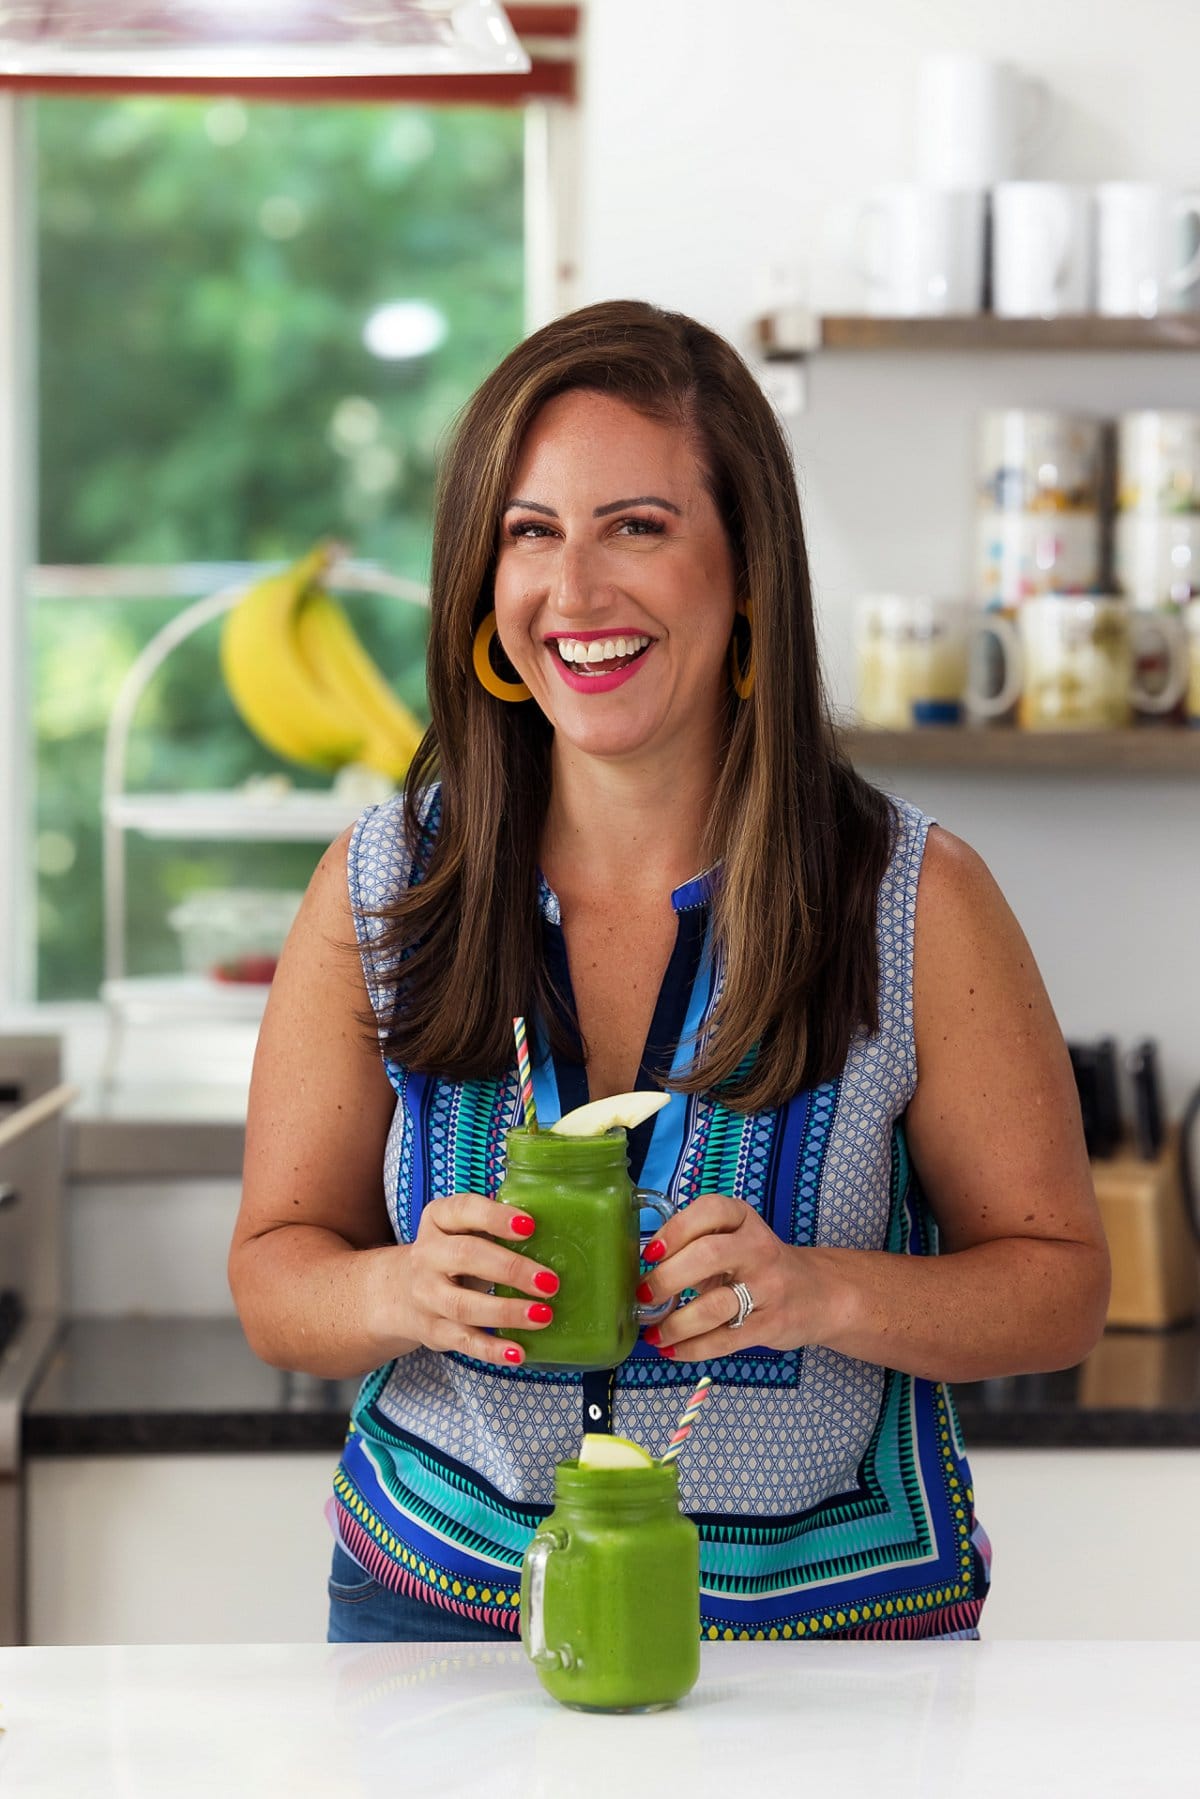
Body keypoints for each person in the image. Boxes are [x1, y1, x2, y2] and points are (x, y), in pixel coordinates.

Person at [228, 299, 1110, 1645]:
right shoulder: (382, 883)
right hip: (446, 1632)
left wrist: (825, 1289)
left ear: (746, 567)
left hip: (825, 1662)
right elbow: (274, 1272)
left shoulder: (917, 899)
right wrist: (390, 1289)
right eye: (532, 533)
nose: (574, 596)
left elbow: (1059, 1290)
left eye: (637, 526)